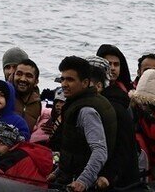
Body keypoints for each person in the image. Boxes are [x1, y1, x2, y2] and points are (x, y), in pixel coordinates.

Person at [48, 56, 117, 192]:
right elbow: (74, 149)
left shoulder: (87, 111)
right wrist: (57, 172)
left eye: (70, 80)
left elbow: (100, 151)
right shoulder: (85, 101)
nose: (64, 84)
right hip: (70, 177)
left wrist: (83, 181)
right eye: (62, 79)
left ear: (85, 83)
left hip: (82, 184)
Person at [87, 56, 140, 190]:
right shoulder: (87, 103)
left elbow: (123, 146)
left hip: (117, 181)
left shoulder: (115, 107)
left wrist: (108, 176)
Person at [12, 59, 43, 132]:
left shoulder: (37, 103)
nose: (23, 79)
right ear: (13, 76)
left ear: (36, 82)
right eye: (19, 74)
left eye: (28, 76)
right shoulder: (3, 95)